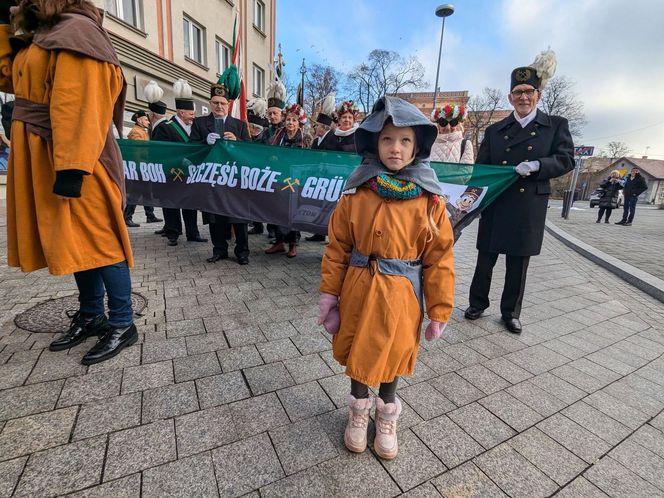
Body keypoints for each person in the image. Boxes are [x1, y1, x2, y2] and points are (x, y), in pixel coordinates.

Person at [0, 0, 137, 365]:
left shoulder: (77, 33)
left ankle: (124, 323)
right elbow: (10, 78)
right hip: (46, 152)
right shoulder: (43, 34)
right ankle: (92, 314)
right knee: (74, 239)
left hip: (76, 157)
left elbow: (81, 103)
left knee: (101, 239)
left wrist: (72, 168)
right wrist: (8, 28)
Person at [319, 96, 454, 460]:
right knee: (360, 349)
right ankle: (358, 411)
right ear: (375, 143)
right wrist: (329, 294)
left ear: (418, 146)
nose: (396, 148)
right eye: (388, 139)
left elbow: (439, 258)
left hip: (402, 293)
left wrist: (440, 308)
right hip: (360, 286)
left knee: (393, 351)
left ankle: (387, 412)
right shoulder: (356, 193)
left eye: (405, 140)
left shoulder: (430, 200)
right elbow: (337, 247)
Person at [464, 49, 574, 334]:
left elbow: (566, 159)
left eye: (528, 91)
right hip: (497, 201)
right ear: (509, 96)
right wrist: (470, 199)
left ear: (538, 94)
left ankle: (510, 312)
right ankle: (477, 303)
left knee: (517, 261)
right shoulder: (496, 130)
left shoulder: (555, 125)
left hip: (528, 204)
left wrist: (538, 164)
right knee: (485, 257)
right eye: (517, 92)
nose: (523, 97)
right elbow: (482, 169)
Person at [191, 67, 251, 265]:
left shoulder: (240, 125)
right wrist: (203, 143)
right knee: (214, 216)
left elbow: (251, 152)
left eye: (223, 103)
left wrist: (238, 141)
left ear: (229, 104)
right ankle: (219, 250)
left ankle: (242, 252)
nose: (219, 106)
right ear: (210, 103)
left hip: (234, 179)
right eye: (215, 103)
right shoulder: (199, 124)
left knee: (239, 217)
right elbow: (190, 149)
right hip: (211, 178)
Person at [152, 81, 207, 246]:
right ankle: (173, 233)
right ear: (181, 112)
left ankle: (193, 233)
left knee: (190, 203)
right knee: (172, 204)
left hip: (189, 173)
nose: (193, 116)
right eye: (191, 113)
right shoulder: (165, 127)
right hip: (172, 172)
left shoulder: (194, 127)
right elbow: (161, 152)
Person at [264, 102, 307, 258]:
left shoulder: (304, 138)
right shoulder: (278, 135)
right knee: (276, 209)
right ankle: (279, 241)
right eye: (288, 119)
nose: (290, 123)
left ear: (299, 122)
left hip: (295, 180)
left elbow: (306, 159)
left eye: (294, 120)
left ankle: (293, 243)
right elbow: (269, 151)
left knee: (292, 211)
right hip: (279, 177)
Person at [252, 80, 286, 237]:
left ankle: (288, 236)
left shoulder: (288, 131)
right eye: (270, 113)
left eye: (275, 113)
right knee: (270, 202)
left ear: (281, 114)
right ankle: (272, 230)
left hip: (284, 173)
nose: (272, 116)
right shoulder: (265, 132)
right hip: (268, 172)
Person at [123, 109, 162, 227]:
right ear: (139, 120)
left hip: (145, 167)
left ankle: (150, 216)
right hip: (140, 168)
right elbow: (137, 154)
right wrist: (142, 167)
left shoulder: (142, 131)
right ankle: (127, 217)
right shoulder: (136, 132)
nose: (148, 122)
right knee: (135, 193)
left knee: (146, 192)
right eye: (146, 120)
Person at [307, 93, 337, 241]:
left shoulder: (333, 139)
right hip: (317, 178)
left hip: (329, 178)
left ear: (323, 127)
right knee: (318, 206)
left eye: (317, 125)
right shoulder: (315, 141)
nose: (315, 127)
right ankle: (318, 233)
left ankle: (329, 234)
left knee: (328, 208)